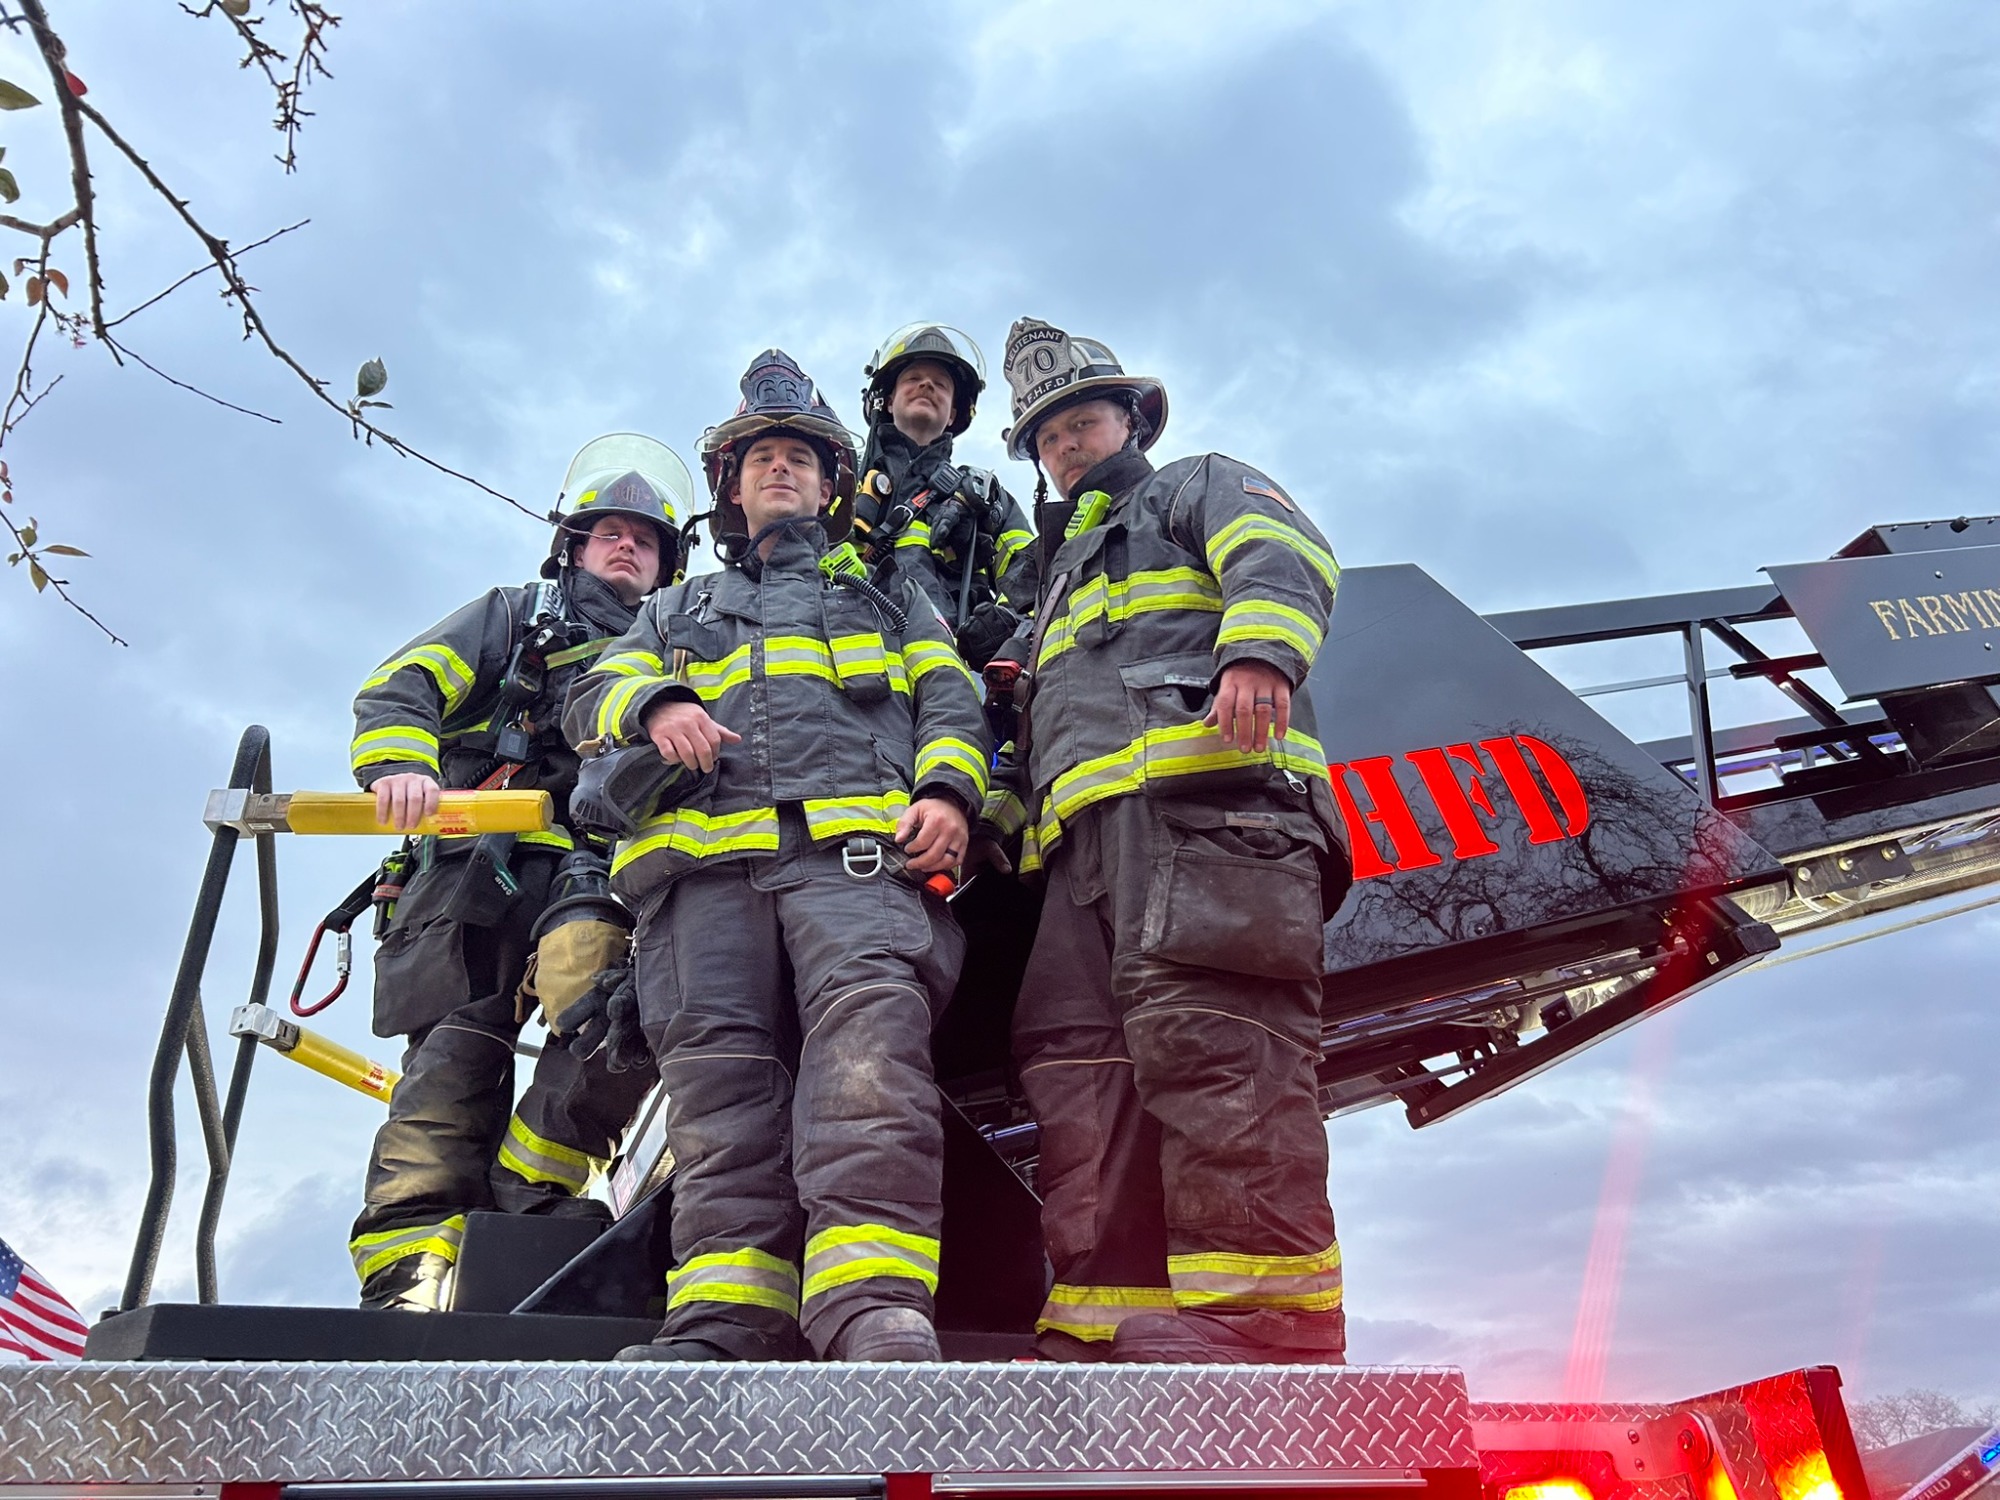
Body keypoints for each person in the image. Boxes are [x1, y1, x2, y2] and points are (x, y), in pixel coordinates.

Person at [563, 350, 990, 1363]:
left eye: (800, 457)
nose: (782, 470)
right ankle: (725, 1318)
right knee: (718, 1095)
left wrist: (946, 792)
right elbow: (588, 697)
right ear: (731, 488)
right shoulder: (671, 611)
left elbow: (954, 700)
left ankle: (874, 1309)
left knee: (870, 1070)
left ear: (831, 486)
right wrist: (655, 701)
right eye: (761, 459)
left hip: (856, 874)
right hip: (703, 892)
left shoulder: (887, 598)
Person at [991, 318, 1353, 1363]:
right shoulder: (1053, 585)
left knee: (1219, 1045)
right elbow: (1037, 731)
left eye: (1083, 422)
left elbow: (1283, 554)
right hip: (1084, 857)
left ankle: (1269, 1321)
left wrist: (1259, 654)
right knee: (1079, 1067)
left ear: (1133, 421)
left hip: (1212, 821)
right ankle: (1105, 1315)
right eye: (1047, 437)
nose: (1066, 445)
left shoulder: (1197, 485)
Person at [345, 434, 690, 1313]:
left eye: (644, 541)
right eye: (609, 533)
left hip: (603, 874)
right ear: (572, 546)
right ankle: (407, 1265)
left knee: (616, 1028)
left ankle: (528, 1199)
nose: (626, 547)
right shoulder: (513, 615)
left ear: (666, 564)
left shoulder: (675, 648)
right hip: (475, 865)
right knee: (455, 1060)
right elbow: (402, 686)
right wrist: (400, 766)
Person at [854, 323, 1038, 669]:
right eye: (913, 379)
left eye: (940, 384)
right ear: (888, 400)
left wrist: (1004, 624)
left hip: (957, 675)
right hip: (862, 669)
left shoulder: (986, 498)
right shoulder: (845, 483)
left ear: (953, 412)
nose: (926, 385)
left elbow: (1033, 578)